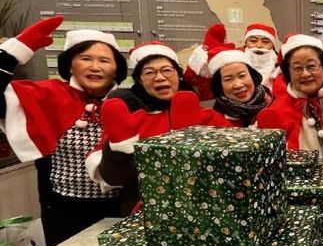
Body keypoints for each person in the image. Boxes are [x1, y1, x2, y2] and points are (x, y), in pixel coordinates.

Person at [0, 17, 128, 246]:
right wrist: (11, 54)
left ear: (116, 68)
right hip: (64, 212)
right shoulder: (47, 95)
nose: (95, 66)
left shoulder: (129, 102)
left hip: (120, 209)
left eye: (104, 60)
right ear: (70, 65)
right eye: (86, 58)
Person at [86, 41, 229, 214]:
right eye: (149, 72)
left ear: (178, 74)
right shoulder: (128, 120)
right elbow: (114, 178)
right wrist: (120, 149)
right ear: (140, 80)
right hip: (145, 211)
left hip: (204, 208)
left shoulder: (204, 115)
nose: (160, 77)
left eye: (167, 70)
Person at [257, 34, 323, 159]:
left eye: (311, 66)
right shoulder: (278, 110)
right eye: (297, 68)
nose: (305, 74)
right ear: (288, 73)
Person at [207, 43, 273, 126]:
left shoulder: (274, 104)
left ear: (252, 76)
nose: (238, 85)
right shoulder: (215, 122)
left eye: (242, 76)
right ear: (219, 85)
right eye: (228, 79)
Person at [243, 23, 280, 90]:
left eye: (265, 42)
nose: (259, 46)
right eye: (253, 41)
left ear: (272, 45)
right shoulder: (235, 61)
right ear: (246, 43)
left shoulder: (281, 65)